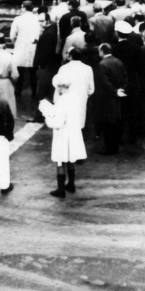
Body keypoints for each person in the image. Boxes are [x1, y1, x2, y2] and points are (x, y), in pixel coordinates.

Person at [40, 68, 93, 198]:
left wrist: (47, 114)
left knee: (60, 160)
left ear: (59, 87)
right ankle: (71, 184)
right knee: (71, 158)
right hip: (74, 131)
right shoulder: (75, 97)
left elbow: (57, 122)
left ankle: (60, 189)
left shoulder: (62, 100)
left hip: (63, 134)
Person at [111, 20, 141, 144]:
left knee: (119, 110)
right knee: (132, 109)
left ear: (117, 33)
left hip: (118, 82)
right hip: (132, 81)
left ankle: (118, 136)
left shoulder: (114, 48)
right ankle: (133, 136)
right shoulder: (136, 48)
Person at [95, 43, 127, 155]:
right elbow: (125, 78)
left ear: (102, 51)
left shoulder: (101, 64)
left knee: (108, 124)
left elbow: (105, 83)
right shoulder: (119, 62)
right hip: (118, 97)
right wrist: (120, 90)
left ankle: (109, 147)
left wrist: (114, 91)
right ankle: (116, 144)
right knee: (116, 121)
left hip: (107, 98)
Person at [11, 0, 40, 98]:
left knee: (20, 72)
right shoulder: (37, 19)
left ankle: (18, 91)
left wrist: (16, 43)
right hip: (34, 47)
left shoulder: (17, 19)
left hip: (20, 47)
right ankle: (34, 92)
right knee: (33, 73)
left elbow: (12, 36)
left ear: (23, 7)